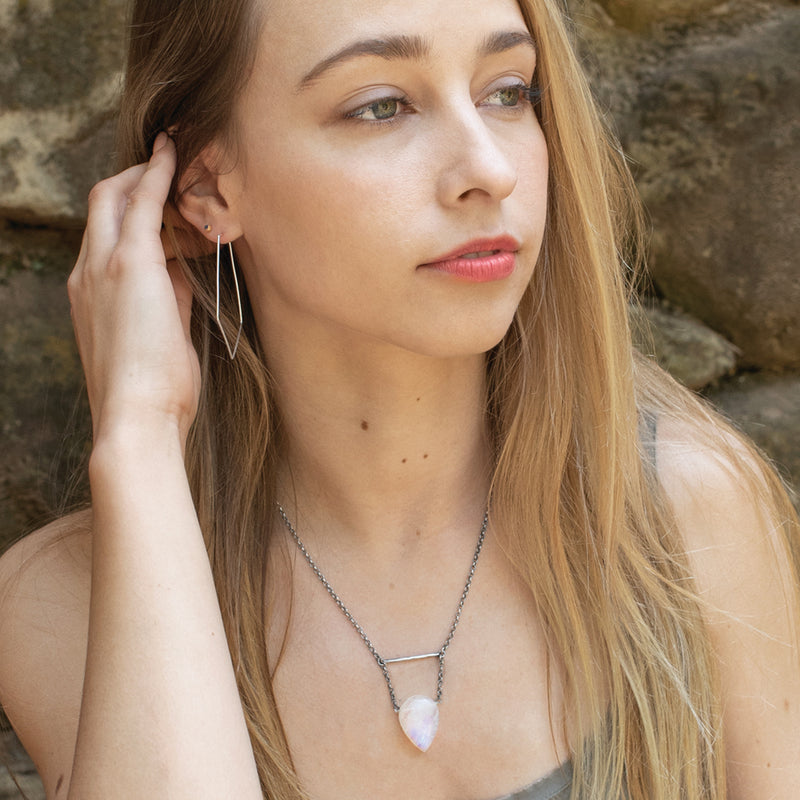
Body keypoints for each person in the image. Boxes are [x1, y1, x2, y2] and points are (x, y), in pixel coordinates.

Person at [0, 0, 798, 797]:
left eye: (509, 92)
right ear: (206, 187)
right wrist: (139, 437)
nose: (491, 167)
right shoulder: (64, 605)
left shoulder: (686, 521)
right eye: (382, 105)